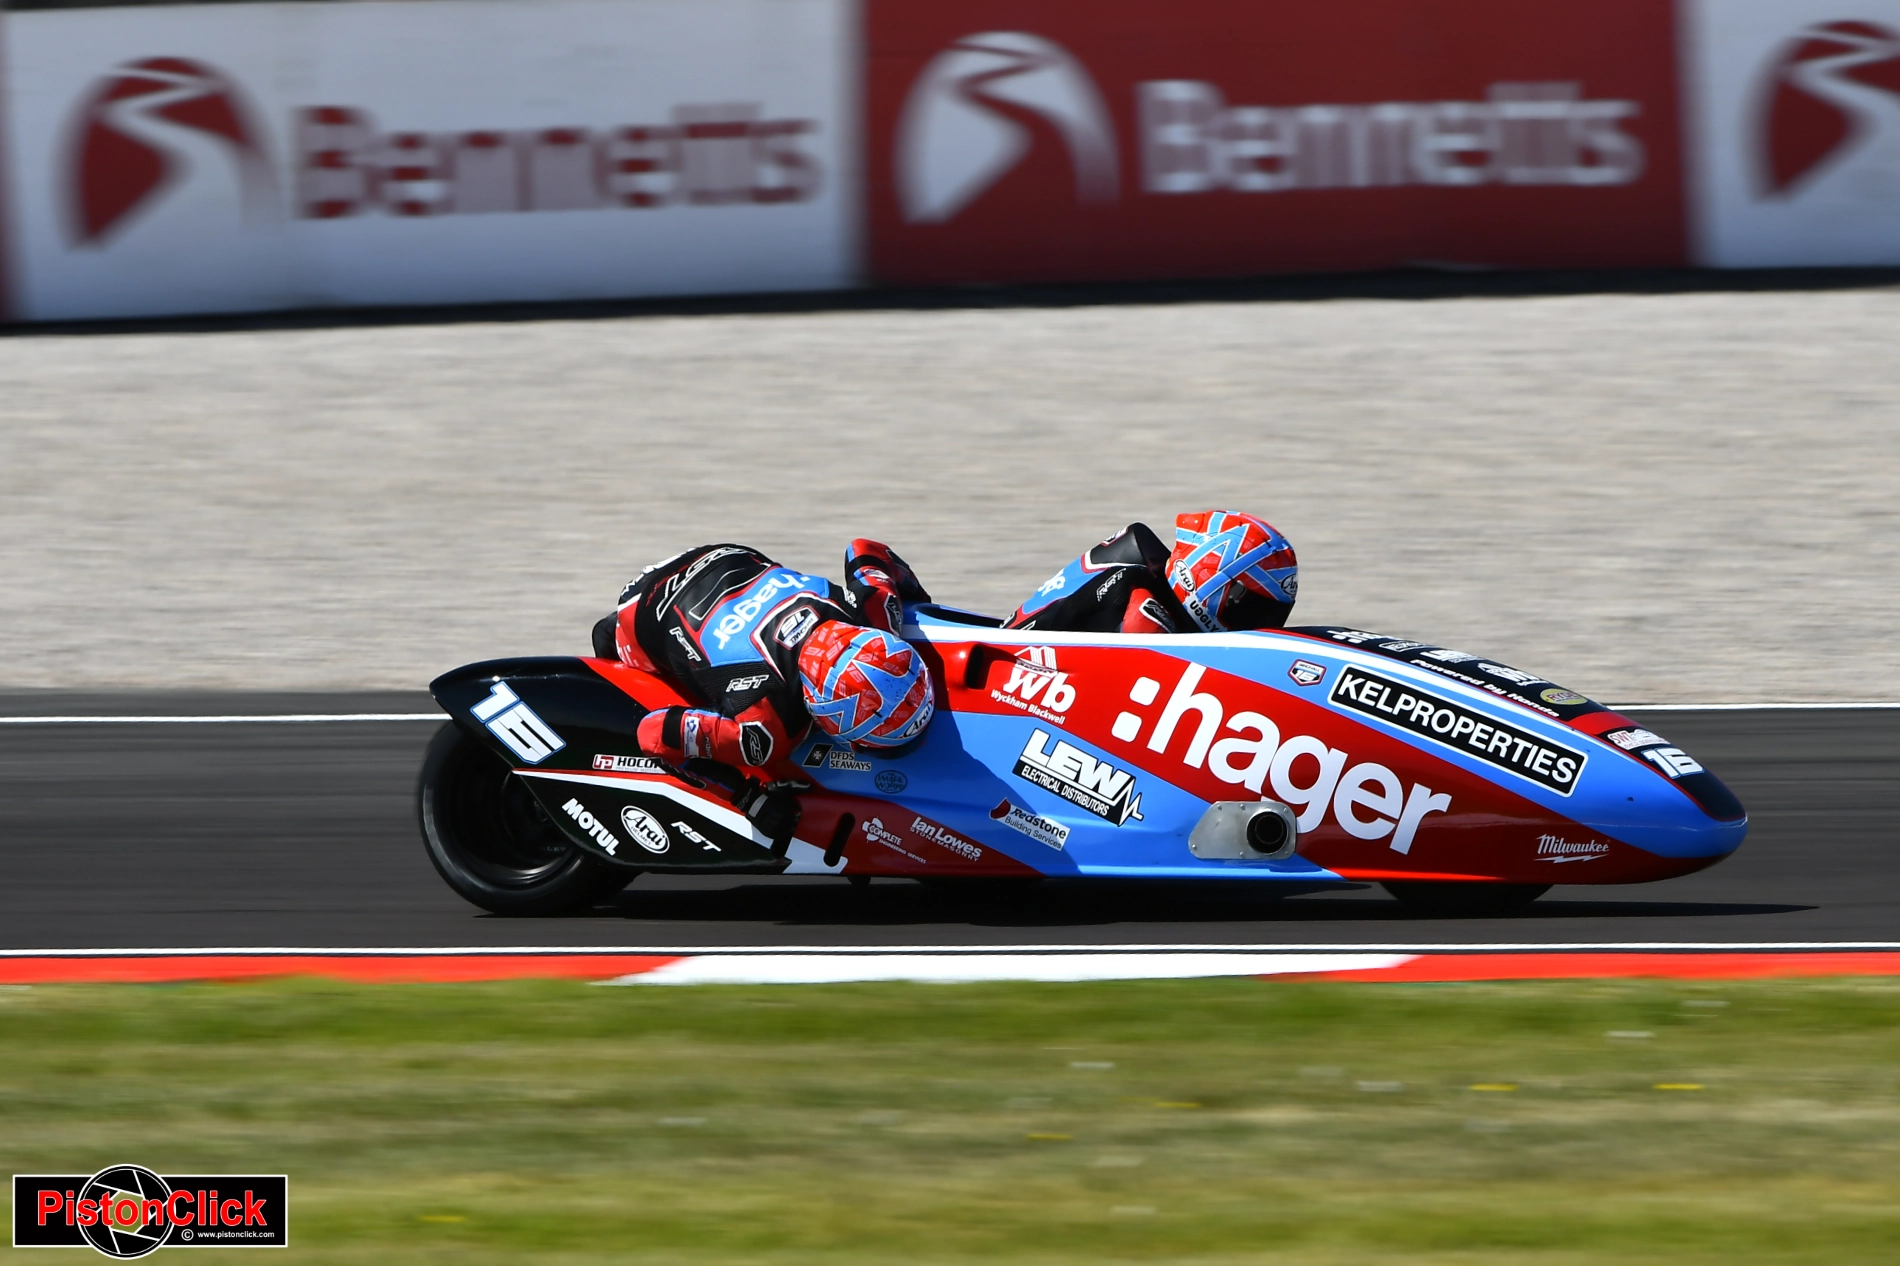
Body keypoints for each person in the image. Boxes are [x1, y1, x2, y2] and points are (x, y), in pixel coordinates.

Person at [591, 540, 935, 844]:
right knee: (617, 670)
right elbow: (654, 734)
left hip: (724, 556)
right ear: (824, 715)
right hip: (646, 603)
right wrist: (748, 800)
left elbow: (865, 549)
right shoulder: (765, 730)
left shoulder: (874, 611)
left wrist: (922, 606)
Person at [1004, 511, 1298, 635]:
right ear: (1211, 581)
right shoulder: (1142, 606)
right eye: (1255, 609)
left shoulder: (1152, 592)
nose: (1263, 625)